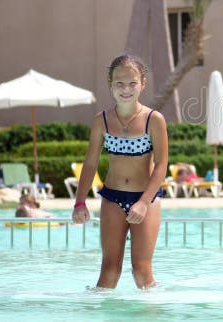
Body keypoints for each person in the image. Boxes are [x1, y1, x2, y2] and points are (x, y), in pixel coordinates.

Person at [72, 54, 168, 290]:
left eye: (132, 83)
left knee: (141, 271)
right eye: (119, 83)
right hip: (112, 199)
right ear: (110, 85)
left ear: (143, 84)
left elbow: (162, 164)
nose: (126, 89)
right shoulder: (101, 121)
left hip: (145, 199)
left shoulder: (153, 120)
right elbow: (90, 164)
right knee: (109, 270)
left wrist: (144, 202)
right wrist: (79, 202)